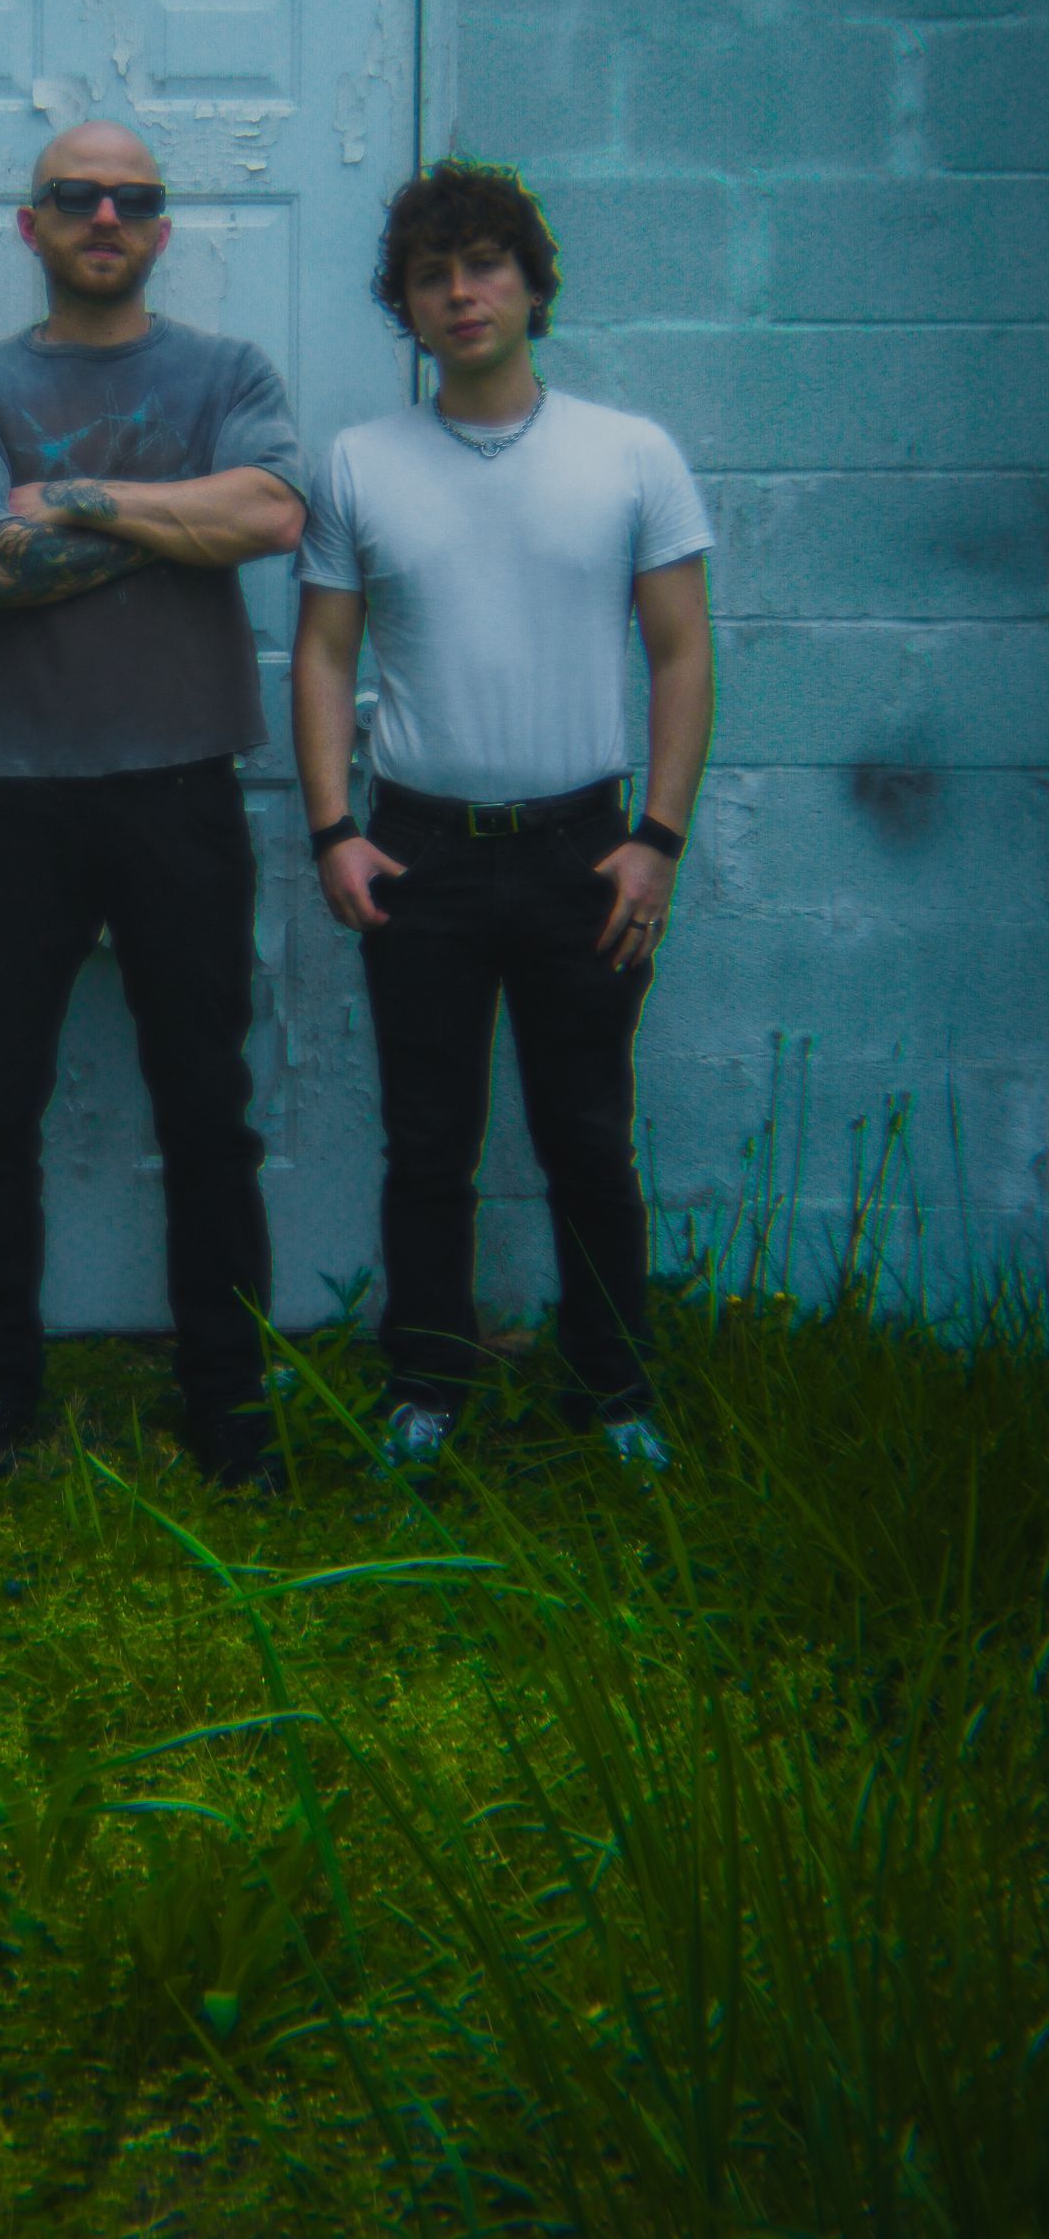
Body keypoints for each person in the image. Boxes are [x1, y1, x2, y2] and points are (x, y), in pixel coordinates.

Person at [291, 157, 715, 1473]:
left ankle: (616, 1392)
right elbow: (321, 657)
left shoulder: (629, 453)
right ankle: (426, 1385)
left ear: (533, 285)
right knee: (429, 1139)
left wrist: (658, 840)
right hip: (416, 849)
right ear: (403, 306)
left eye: (484, 264)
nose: (460, 292)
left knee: (587, 1132)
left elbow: (684, 653)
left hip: (585, 848)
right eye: (430, 273)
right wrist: (330, 829)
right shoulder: (361, 462)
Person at [0, 120, 308, 1485]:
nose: (103, 214)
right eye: (74, 197)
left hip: (181, 784)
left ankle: (229, 1403)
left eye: (131, 198)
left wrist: (73, 498)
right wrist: (170, 520)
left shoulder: (228, 373)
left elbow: (268, 519)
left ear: (162, 225)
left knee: (207, 1103)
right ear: (30, 225)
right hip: (14, 796)